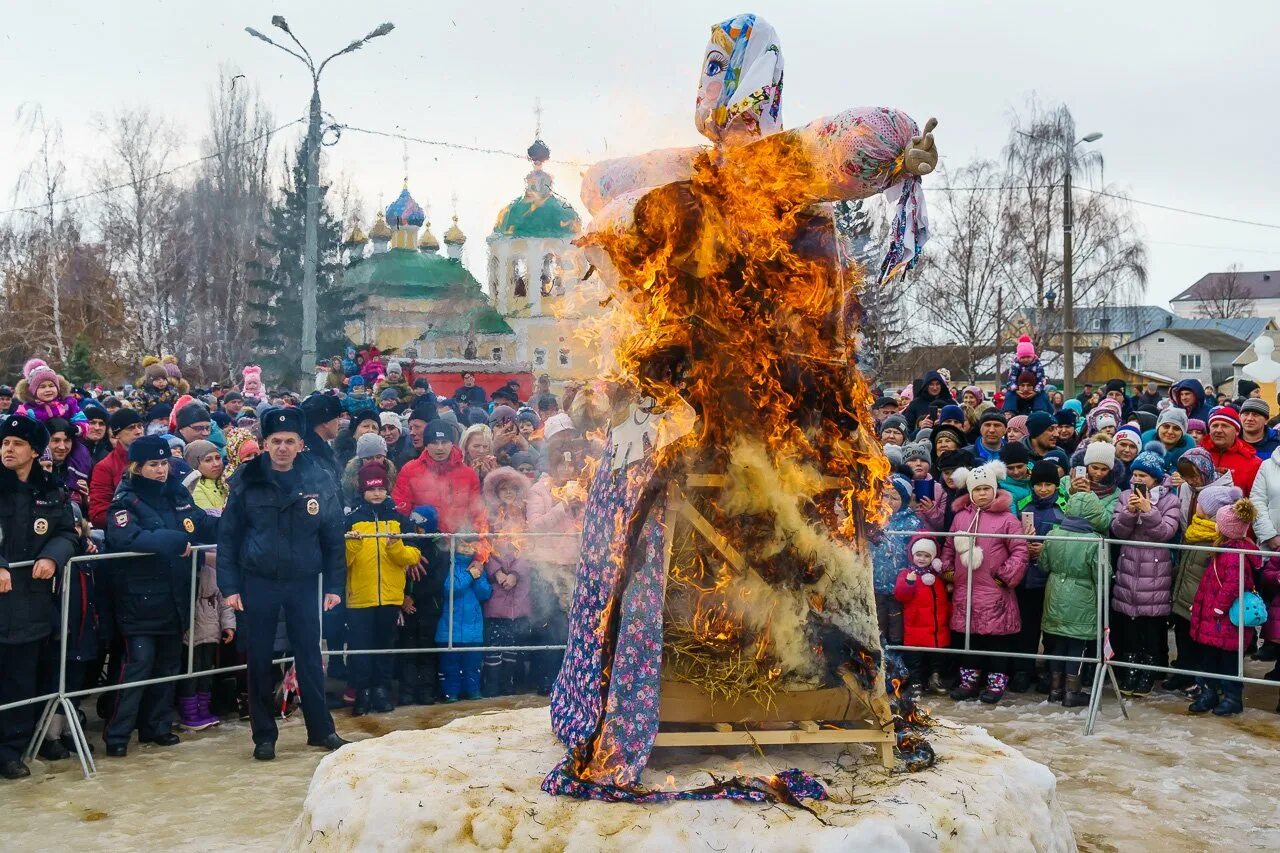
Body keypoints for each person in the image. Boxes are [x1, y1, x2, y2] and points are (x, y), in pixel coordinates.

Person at [216, 407, 348, 761]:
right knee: (259, 659)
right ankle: (264, 736)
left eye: (290, 441)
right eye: (276, 441)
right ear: (264, 444)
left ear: (301, 444)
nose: (283, 447)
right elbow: (228, 537)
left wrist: (335, 585)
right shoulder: (247, 479)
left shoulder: (318, 479)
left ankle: (321, 730)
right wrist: (229, 586)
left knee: (309, 656)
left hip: (304, 581)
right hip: (258, 581)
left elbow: (334, 537)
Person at [102, 435, 219, 756]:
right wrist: (173, 540)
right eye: (153, 464)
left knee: (168, 664)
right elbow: (126, 537)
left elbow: (198, 522)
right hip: (138, 597)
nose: (160, 470)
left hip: (175, 595)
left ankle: (158, 726)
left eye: (164, 463)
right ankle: (118, 734)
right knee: (138, 665)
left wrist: (232, 525)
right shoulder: (126, 498)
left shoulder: (177, 493)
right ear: (137, 467)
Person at [0, 415, 78, 779]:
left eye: (16, 444)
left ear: (34, 451)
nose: (7, 449)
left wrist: (52, 556)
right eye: (4, 443)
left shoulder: (51, 488)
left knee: (21, 678)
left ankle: (10, 750)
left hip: (29, 603)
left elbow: (66, 532)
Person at [942, 460, 1028, 704]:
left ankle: (996, 683)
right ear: (969, 492)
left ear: (994, 489)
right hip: (966, 589)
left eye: (986, 489)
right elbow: (949, 546)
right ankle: (968, 682)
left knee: (996, 641)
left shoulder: (1008, 520)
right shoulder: (960, 519)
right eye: (977, 489)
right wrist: (947, 569)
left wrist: (1005, 576)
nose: (981, 493)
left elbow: (1020, 551)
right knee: (971, 638)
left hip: (995, 591)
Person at [344, 463, 422, 717]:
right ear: (363, 489)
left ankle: (381, 690)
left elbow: (413, 554)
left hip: (389, 596)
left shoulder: (399, 519)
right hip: (360, 596)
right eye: (371, 489)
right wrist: (352, 546)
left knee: (385, 646)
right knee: (360, 648)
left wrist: (395, 547)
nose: (377, 494)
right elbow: (340, 560)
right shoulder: (352, 519)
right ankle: (362, 691)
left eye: (380, 489)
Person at [1109, 451, 1180, 696]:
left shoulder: (1170, 500)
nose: (1136, 480)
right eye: (1135, 474)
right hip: (1128, 567)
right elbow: (1117, 530)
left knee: (1151, 623)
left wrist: (1149, 510)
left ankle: (1148, 670)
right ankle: (1130, 669)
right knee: (1128, 622)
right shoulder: (1126, 496)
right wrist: (1129, 512)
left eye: (1143, 476)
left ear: (1156, 479)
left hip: (1156, 570)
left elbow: (1166, 532)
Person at [1187, 499, 1260, 716]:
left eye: (1218, 522)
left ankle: (1232, 697)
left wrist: (1219, 608)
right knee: (1209, 656)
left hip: (1223, 618)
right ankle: (1208, 693)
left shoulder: (1233, 555)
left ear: (1226, 529)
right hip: (1213, 616)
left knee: (1228, 659)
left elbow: (1232, 584)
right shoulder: (1224, 549)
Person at [1039, 492, 1107, 707]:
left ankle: (1055, 689)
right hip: (1082, 595)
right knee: (1077, 644)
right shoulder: (1096, 541)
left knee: (1058, 642)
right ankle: (1072, 692)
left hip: (1055, 593)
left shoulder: (1053, 534)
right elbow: (1102, 575)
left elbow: (1043, 565)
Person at [1012, 460, 1065, 693]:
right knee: (1027, 627)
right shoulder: (1022, 504)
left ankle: (1050, 673)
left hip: (1052, 577)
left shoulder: (1065, 507)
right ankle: (1024, 670)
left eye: (1048, 484)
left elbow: (1068, 540)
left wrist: (1046, 548)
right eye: (1039, 484)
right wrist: (1025, 544)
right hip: (1027, 577)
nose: (1043, 489)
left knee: (1052, 629)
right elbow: (1011, 535)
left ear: (1056, 485)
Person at [480, 467, 534, 697]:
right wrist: (497, 573)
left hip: (518, 587)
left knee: (512, 641)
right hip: (496, 586)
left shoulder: (524, 516)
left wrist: (516, 574)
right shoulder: (489, 518)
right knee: (495, 641)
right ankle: (492, 685)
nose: (509, 493)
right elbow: (483, 548)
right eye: (504, 489)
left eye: (513, 488)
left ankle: (508, 684)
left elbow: (530, 548)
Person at [435, 534, 492, 703]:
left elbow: (485, 593)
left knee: (472, 666)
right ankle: (450, 693)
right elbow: (451, 589)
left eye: (470, 544)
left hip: (473, 630)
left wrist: (479, 575)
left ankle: (473, 691)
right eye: (462, 544)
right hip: (450, 629)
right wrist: (470, 575)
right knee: (450, 666)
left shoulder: (478, 567)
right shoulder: (450, 565)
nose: (467, 547)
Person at [894, 537, 950, 693]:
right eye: (919, 555)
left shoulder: (937, 578)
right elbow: (900, 595)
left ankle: (935, 678)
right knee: (914, 658)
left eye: (926, 556)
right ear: (912, 555)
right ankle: (916, 681)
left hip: (937, 627)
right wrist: (909, 583)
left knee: (936, 658)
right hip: (915, 625)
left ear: (933, 558)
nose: (922, 559)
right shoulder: (906, 574)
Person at [871, 477, 917, 649]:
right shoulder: (874, 519)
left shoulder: (911, 522)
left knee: (897, 623)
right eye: (885, 496)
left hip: (898, 585)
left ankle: (897, 653)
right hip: (876, 582)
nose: (888, 501)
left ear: (904, 501)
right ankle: (881, 655)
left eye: (895, 497)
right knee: (878, 620)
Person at [89, 409, 145, 529]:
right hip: (125, 531)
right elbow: (98, 514)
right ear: (117, 434)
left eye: (140, 426)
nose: (138, 431)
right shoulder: (105, 467)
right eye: (131, 428)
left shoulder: (156, 461)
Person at [1199, 406, 1261, 494]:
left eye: (1225, 426)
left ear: (1236, 431)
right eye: (1215, 425)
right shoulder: (1197, 455)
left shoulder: (1253, 463)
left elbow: (1256, 498)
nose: (1218, 430)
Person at [14, 359, 80, 423]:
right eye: (42, 387)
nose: (48, 390)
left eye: (51, 386)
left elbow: (82, 420)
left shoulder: (69, 403)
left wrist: (76, 429)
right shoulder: (26, 409)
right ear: (33, 390)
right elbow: (14, 427)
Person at [301, 393, 345, 488]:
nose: (339, 422)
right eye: (337, 418)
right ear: (325, 422)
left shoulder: (323, 449)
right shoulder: (311, 457)